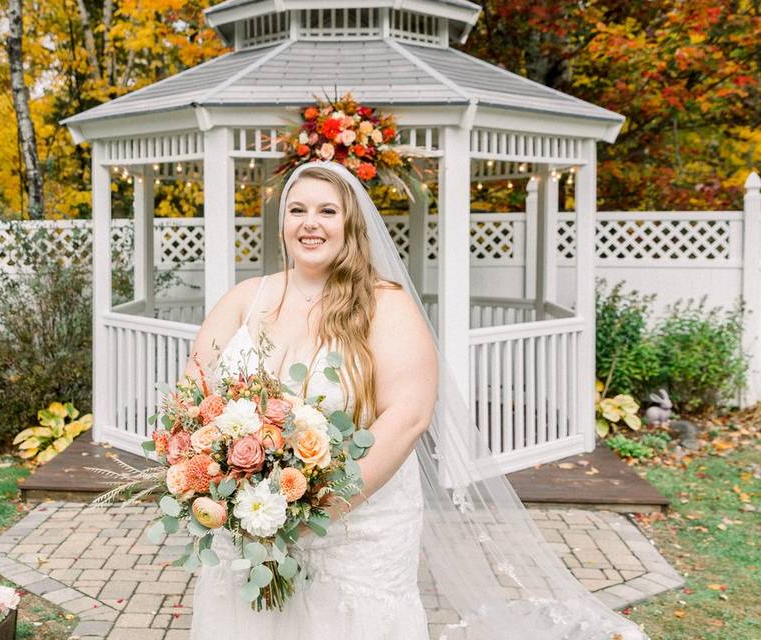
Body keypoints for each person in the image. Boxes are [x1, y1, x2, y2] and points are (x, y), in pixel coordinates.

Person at [185, 161, 650, 640]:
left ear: (351, 224)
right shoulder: (244, 298)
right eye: (297, 209)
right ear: (282, 222)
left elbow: (408, 417)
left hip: (355, 526)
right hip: (247, 523)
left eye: (327, 211)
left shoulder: (384, 304)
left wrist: (316, 510)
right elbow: (195, 394)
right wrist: (219, 483)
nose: (310, 223)